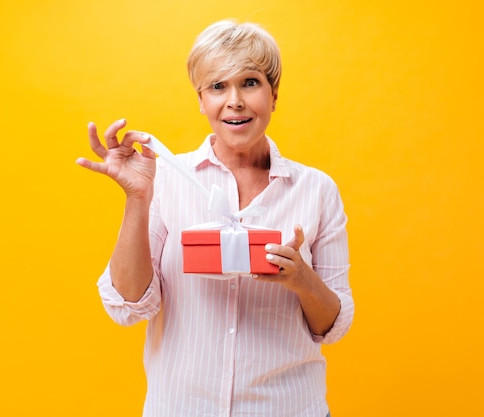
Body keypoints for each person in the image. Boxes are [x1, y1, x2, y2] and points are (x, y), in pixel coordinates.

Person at [76, 19, 353, 417]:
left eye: (251, 82)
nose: (235, 101)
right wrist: (138, 197)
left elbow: (332, 326)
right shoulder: (166, 178)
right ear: (201, 100)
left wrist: (301, 279)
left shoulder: (317, 189)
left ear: (274, 95)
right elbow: (130, 305)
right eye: (218, 86)